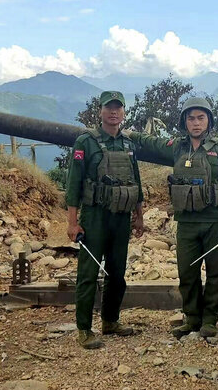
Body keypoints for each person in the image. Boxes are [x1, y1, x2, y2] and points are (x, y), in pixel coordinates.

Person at [126, 97, 218, 338]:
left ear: (208, 121)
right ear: (184, 122)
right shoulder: (178, 147)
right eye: (191, 118)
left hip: (215, 222)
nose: (196, 123)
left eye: (201, 118)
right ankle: (192, 318)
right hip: (187, 223)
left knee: (215, 272)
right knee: (187, 272)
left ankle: (209, 320)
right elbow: (154, 143)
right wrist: (132, 135)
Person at [65, 90, 145, 349]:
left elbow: (136, 182)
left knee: (117, 273)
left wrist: (139, 217)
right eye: (108, 108)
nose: (113, 112)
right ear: (100, 111)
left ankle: (111, 321)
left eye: (118, 108)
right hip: (95, 216)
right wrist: (72, 223)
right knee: (88, 274)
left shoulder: (128, 144)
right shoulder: (85, 142)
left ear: (124, 112)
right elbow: (74, 185)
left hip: (121, 218)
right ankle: (84, 329)